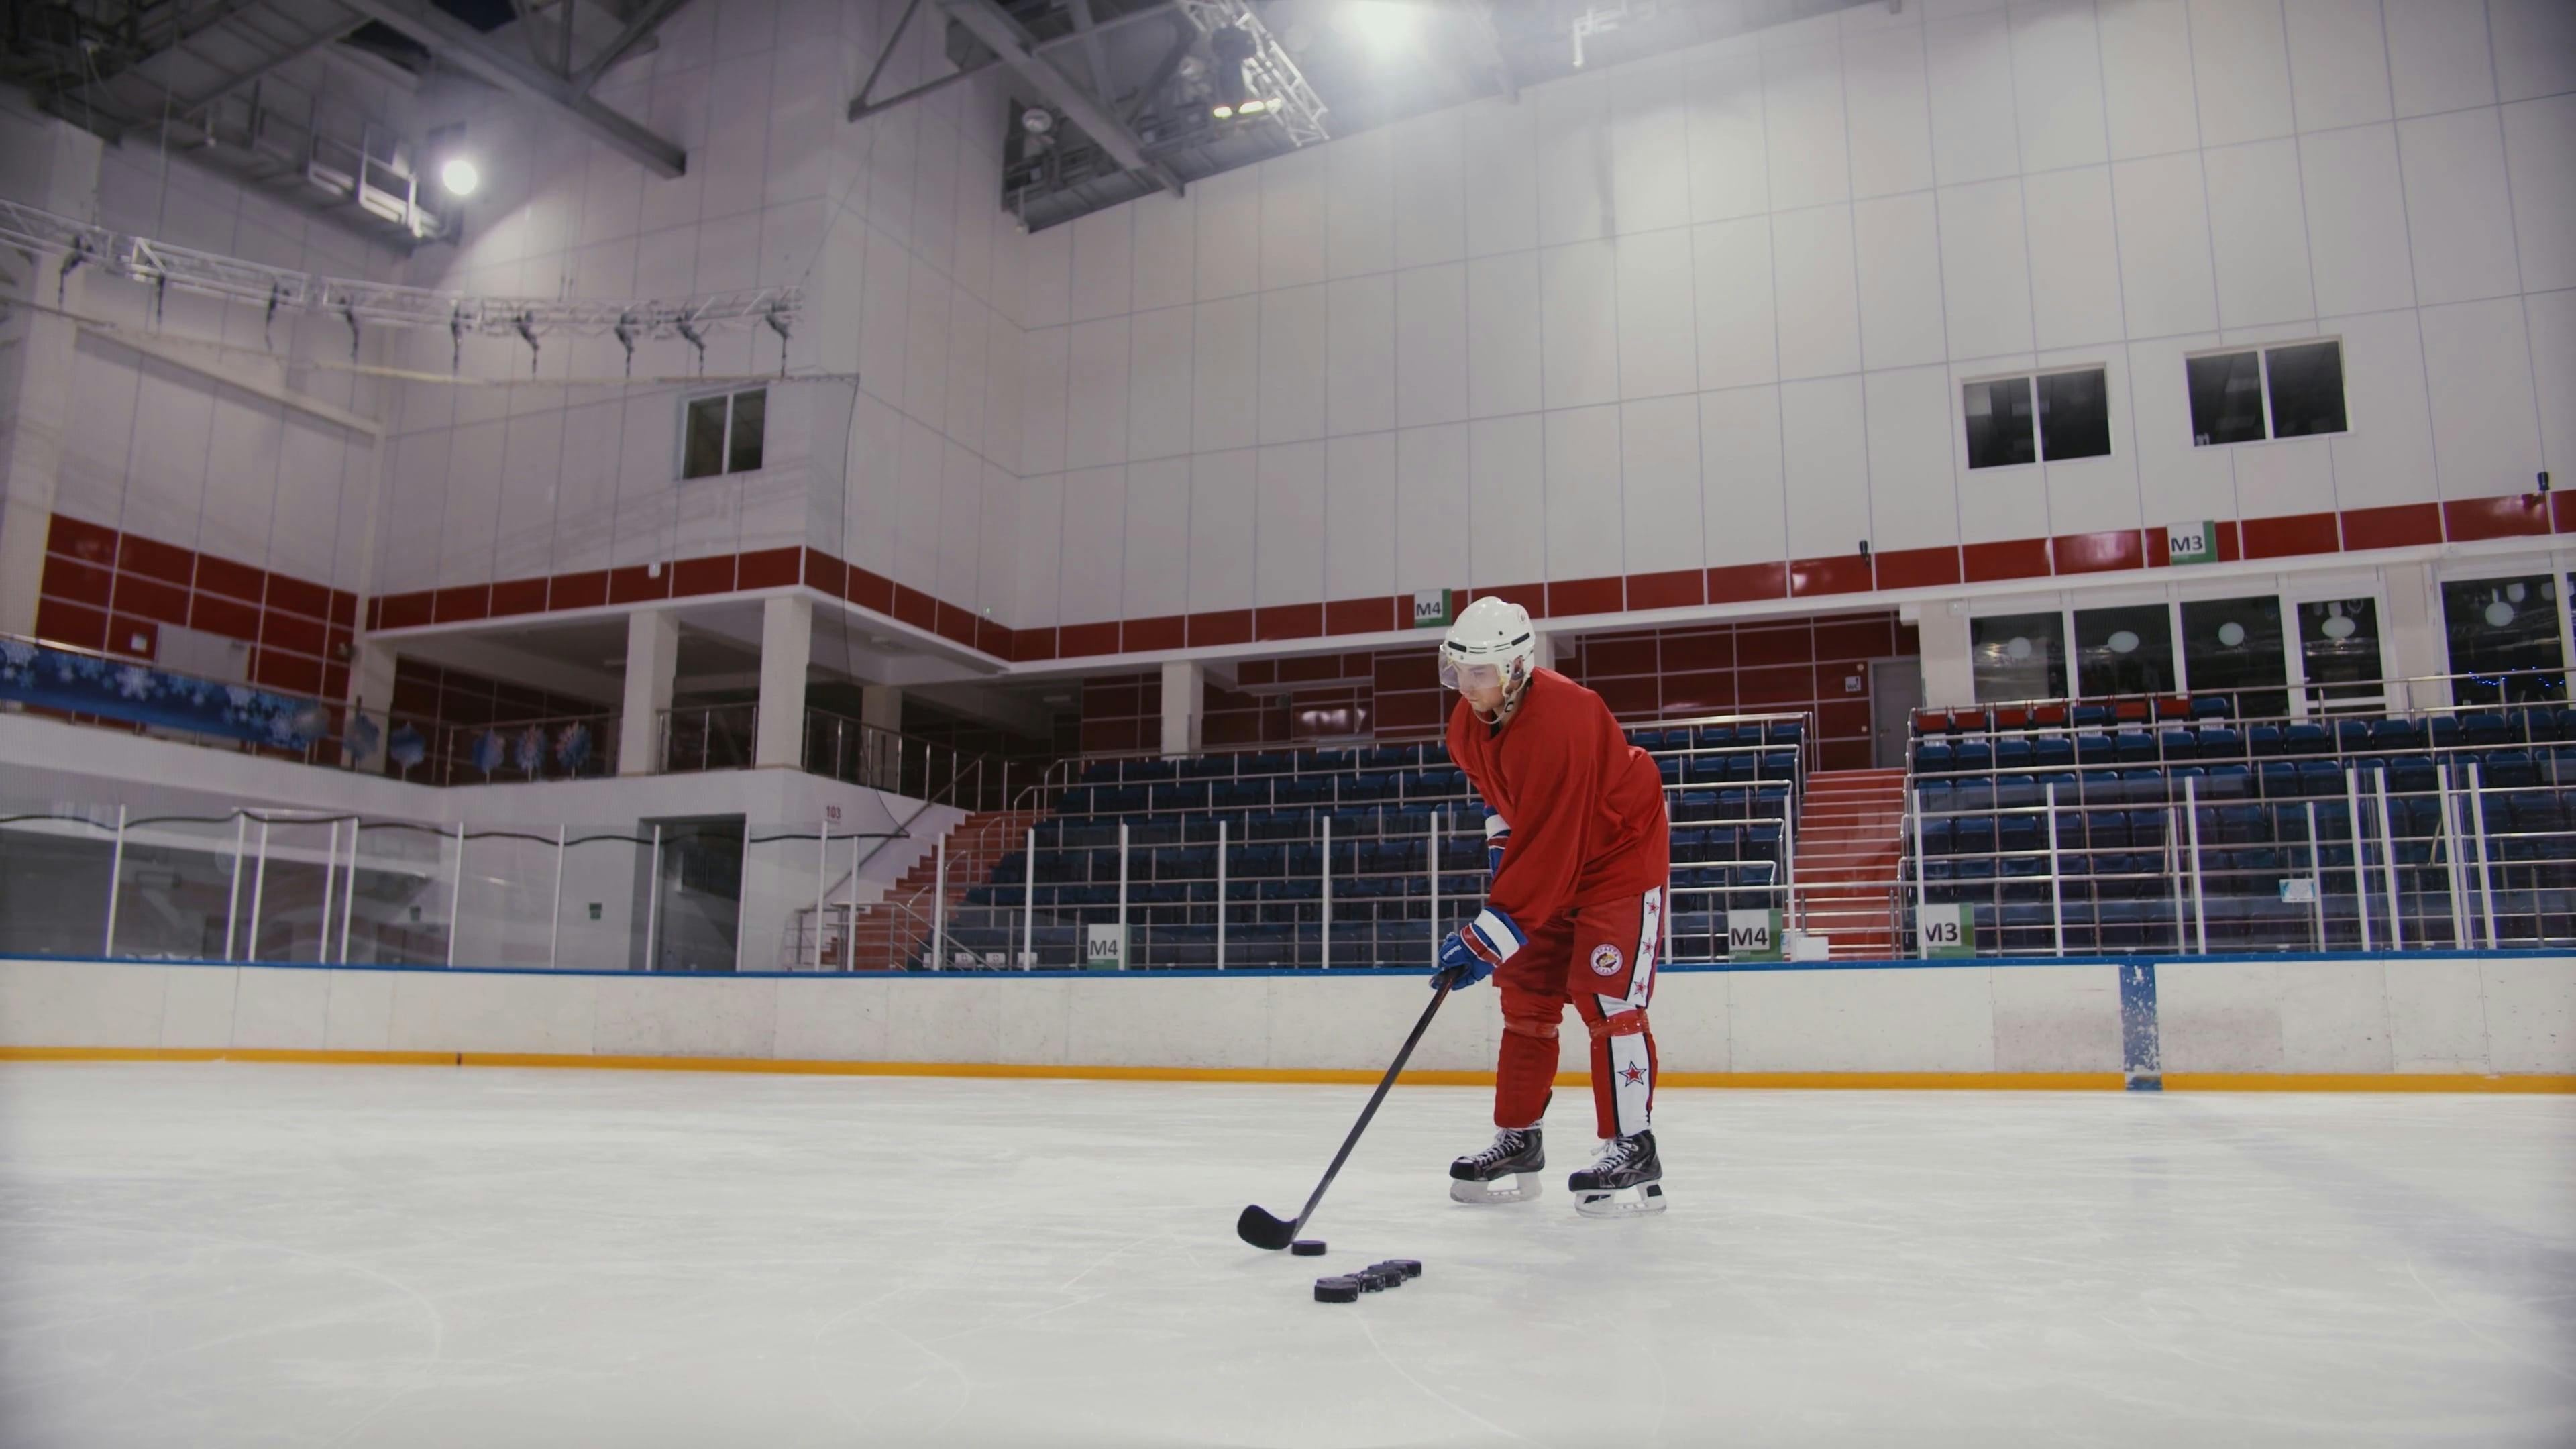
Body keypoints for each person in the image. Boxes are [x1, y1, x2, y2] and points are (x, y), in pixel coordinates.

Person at [1430, 595, 1672, 1218]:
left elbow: (1555, 838)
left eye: (1479, 672)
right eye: (1457, 670)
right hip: (1556, 858)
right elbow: (1504, 805)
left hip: (1618, 856)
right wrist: (1504, 886)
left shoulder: (1567, 717)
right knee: (1526, 996)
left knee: (1608, 1000)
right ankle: (1519, 1138)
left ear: (1515, 669)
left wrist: (1494, 929)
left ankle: (1633, 1145)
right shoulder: (1466, 725)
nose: (1466, 686)